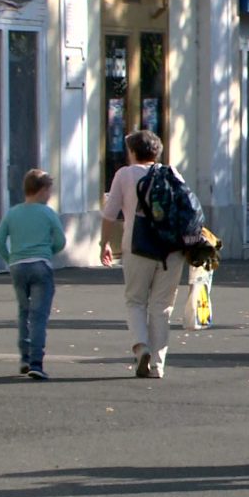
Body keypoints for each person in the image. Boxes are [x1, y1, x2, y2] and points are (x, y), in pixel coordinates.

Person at [100, 130, 187, 379]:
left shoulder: (125, 175)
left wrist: (104, 243)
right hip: (172, 248)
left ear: (133, 152)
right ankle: (158, 365)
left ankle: (141, 348)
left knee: (136, 300)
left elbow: (109, 214)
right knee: (162, 307)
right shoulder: (172, 173)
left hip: (137, 246)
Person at [0, 169, 67, 380]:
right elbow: (61, 241)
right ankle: (36, 362)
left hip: (18, 266)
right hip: (40, 266)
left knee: (23, 312)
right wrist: (47, 253)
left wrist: (10, 260)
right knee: (39, 316)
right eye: (49, 191)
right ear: (42, 190)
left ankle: (24, 358)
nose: (50, 195)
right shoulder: (47, 213)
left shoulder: (12, 213)